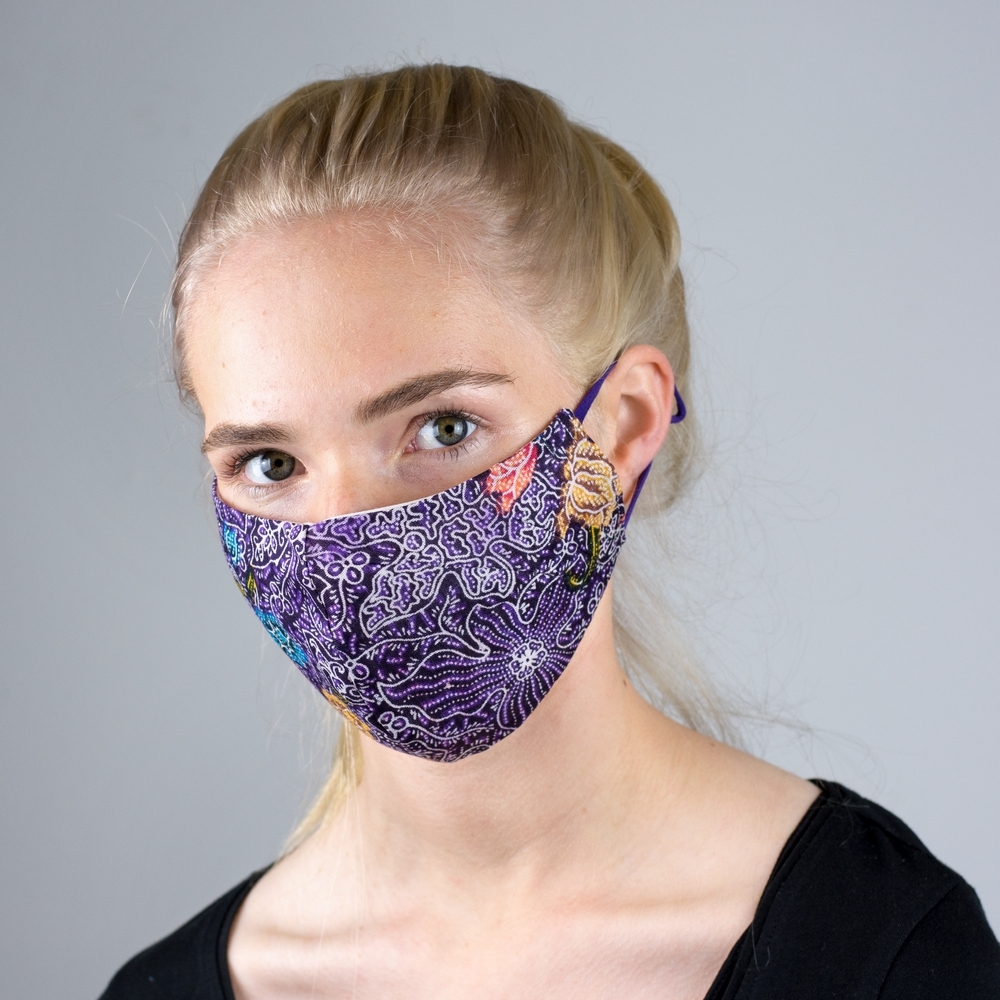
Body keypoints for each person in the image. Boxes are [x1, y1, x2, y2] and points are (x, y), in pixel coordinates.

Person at [100, 64, 1000, 999]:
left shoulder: (883, 954)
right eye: (270, 464)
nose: (346, 538)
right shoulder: (170, 988)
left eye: (443, 428)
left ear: (623, 423)